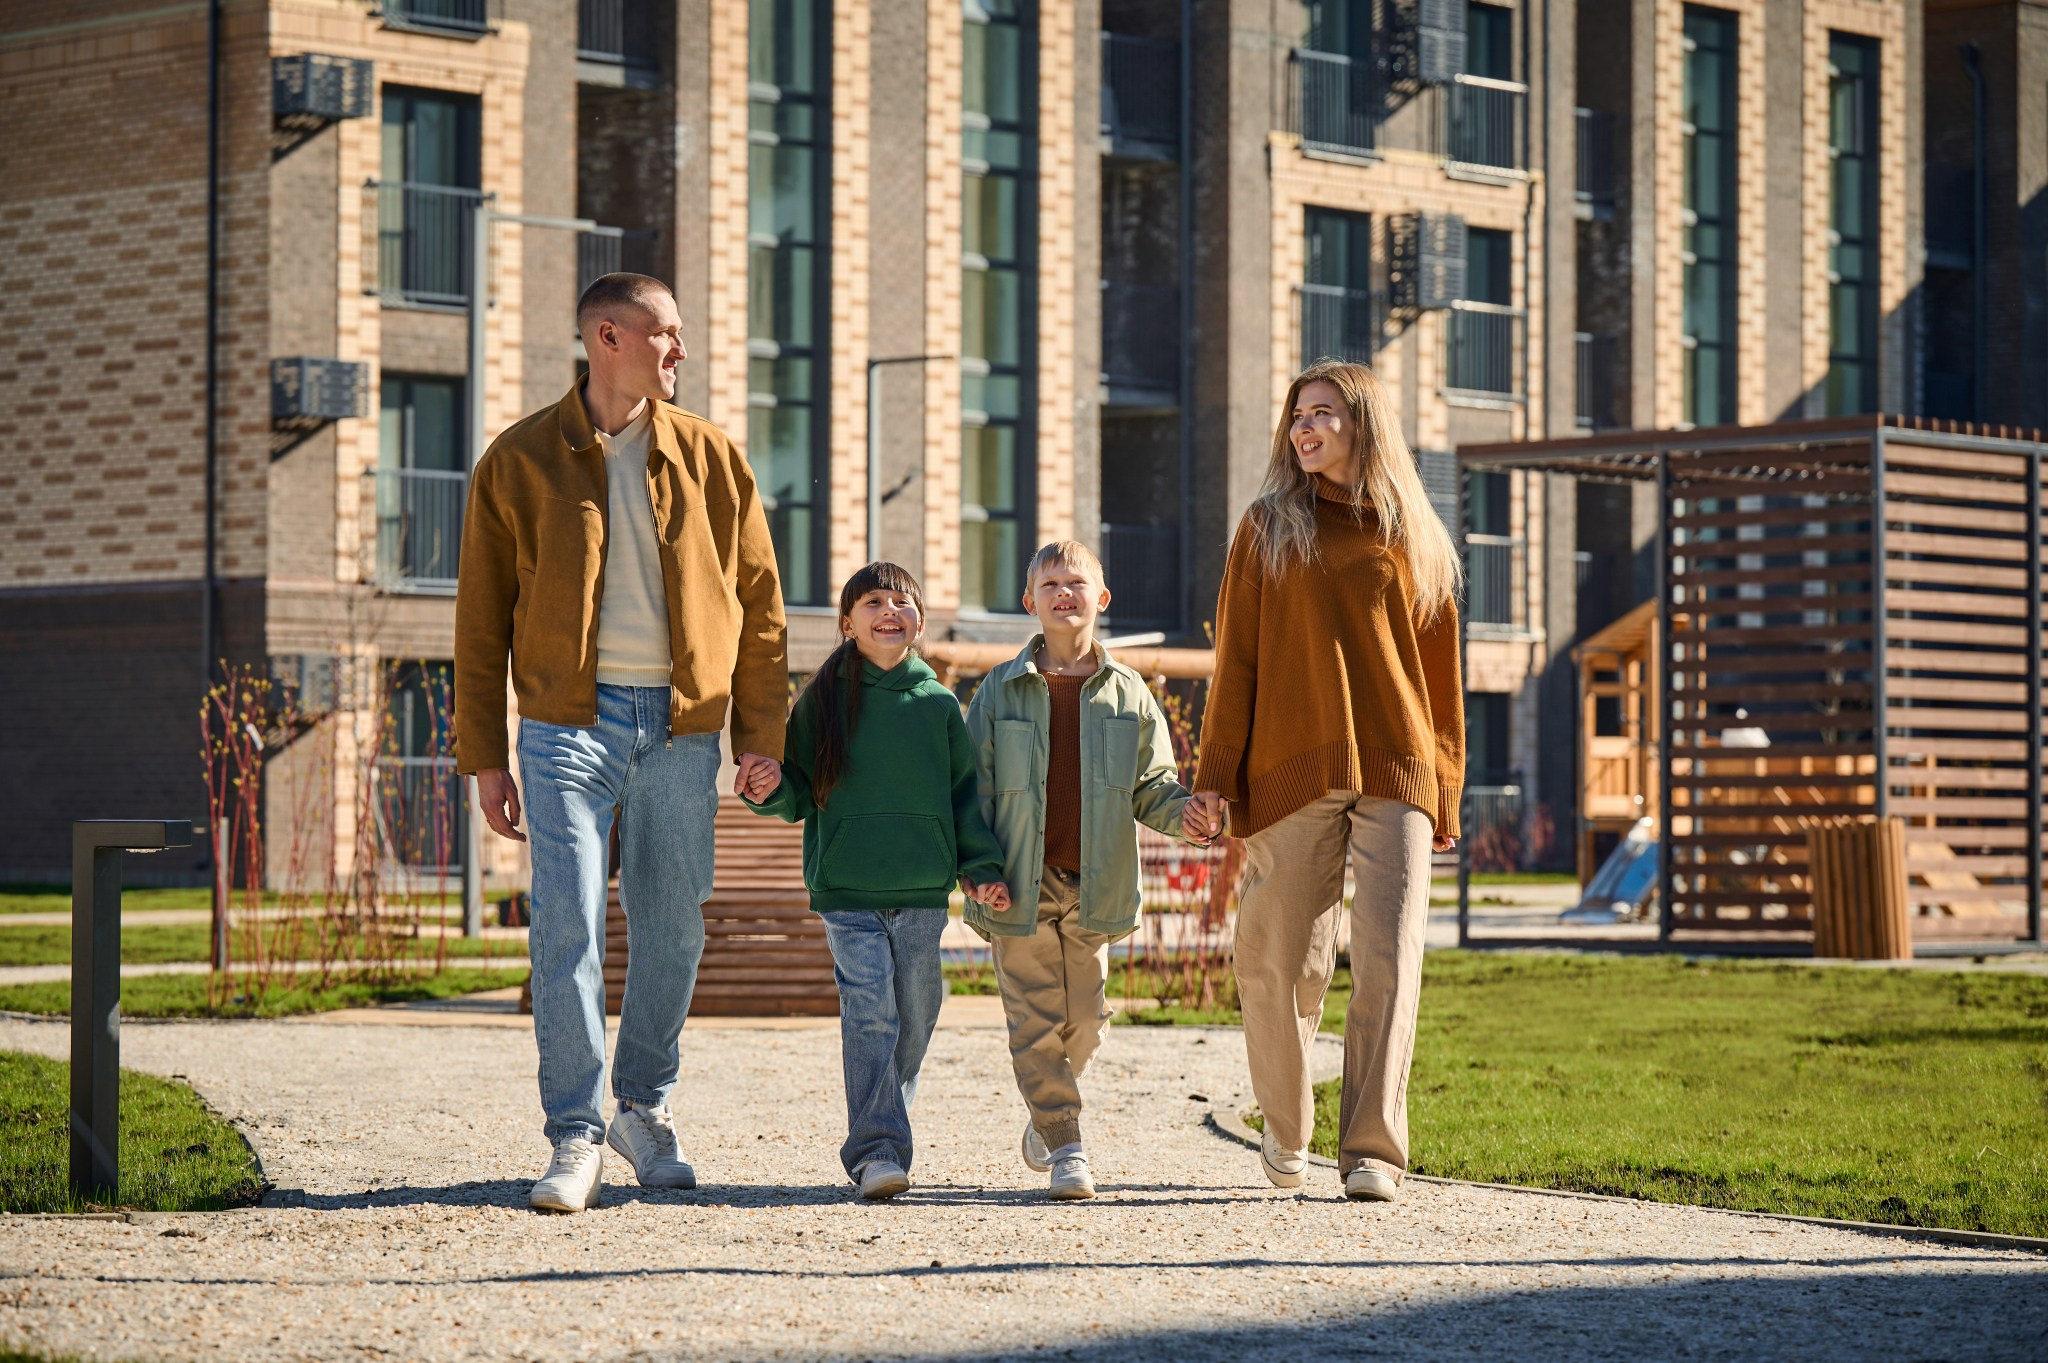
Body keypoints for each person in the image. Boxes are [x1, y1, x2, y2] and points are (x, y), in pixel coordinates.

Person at [453, 273, 788, 1213]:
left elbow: (761, 612)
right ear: (609, 336)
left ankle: (642, 1105)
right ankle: (575, 1132)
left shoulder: (715, 458)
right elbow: (479, 624)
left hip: (683, 729)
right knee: (566, 923)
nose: (680, 350)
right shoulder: (517, 462)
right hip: (566, 727)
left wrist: (760, 736)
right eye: (665, 334)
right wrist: (486, 752)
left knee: (674, 926)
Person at [1193, 359, 1464, 1203]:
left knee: (1389, 955)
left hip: (1400, 767)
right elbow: (1234, 662)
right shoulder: (1268, 527)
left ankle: (1374, 1149)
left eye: (1323, 414)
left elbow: (1441, 677)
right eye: (1298, 415)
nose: (1304, 428)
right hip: (1290, 768)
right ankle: (1284, 1125)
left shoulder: (1412, 531)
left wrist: (1444, 785)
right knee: (1280, 957)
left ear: (1363, 425)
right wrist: (1214, 778)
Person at [737, 562, 1011, 1201]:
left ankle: (882, 1118)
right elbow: (798, 789)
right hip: (848, 889)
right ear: (846, 622)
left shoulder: (940, 705)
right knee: (870, 1014)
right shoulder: (821, 699)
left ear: (920, 621)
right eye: (873, 601)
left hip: (920, 891)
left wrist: (980, 867)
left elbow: (963, 797)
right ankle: (877, 1151)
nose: (889, 609)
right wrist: (770, 789)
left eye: (902, 601)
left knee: (916, 1012)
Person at [963, 541, 1221, 1200]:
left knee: (1087, 1018)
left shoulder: (1129, 694)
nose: (1063, 592)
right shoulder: (998, 689)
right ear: (1030, 602)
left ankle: (1049, 1111)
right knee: (1033, 1019)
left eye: (1077, 581)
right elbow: (973, 792)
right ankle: (1066, 1140)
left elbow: (1154, 785)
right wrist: (977, 866)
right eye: (1050, 582)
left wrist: (1185, 813)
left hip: (1095, 883)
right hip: (1015, 884)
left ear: (1101, 599)